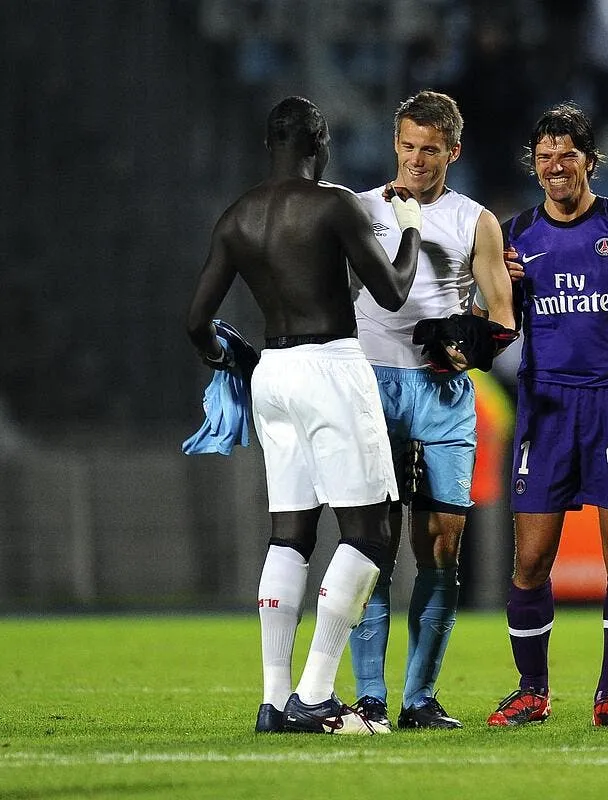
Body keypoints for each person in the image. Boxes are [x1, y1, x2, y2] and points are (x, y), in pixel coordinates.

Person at [184, 96, 422, 735]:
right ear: (320, 143)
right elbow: (393, 289)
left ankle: (273, 700)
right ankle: (315, 697)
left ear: (270, 144)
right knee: (370, 532)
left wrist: (226, 358)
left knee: (289, 533)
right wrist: (409, 229)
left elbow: (196, 323)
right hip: (332, 369)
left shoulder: (238, 217)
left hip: (273, 375)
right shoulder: (332, 204)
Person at [487, 102, 608, 728]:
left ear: (591, 162)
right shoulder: (514, 238)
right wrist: (498, 291)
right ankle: (532, 690)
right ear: (534, 167)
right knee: (530, 558)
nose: (556, 167)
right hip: (545, 409)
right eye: (545, 157)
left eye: (568, 154)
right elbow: (493, 327)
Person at [347, 89, 516, 730]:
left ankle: (418, 699)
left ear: (454, 151)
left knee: (441, 548)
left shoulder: (475, 220)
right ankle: (369, 697)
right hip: (373, 386)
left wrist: (464, 344)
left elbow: (501, 318)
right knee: (372, 546)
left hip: (443, 392)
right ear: (396, 144)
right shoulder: (359, 211)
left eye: (431, 150)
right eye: (409, 146)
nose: (418, 160)